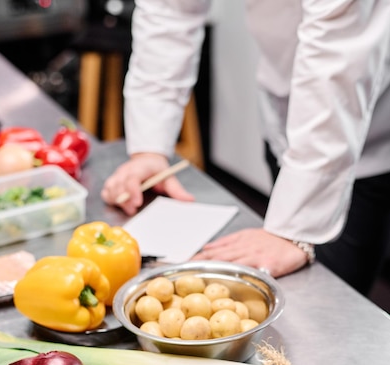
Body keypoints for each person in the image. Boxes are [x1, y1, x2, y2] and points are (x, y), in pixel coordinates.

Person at [101, 0, 390, 295]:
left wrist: (293, 231)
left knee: (332, 295)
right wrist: (150, 147)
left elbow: (335, 71)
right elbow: (169, 12)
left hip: (363, 133)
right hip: (284, 106)